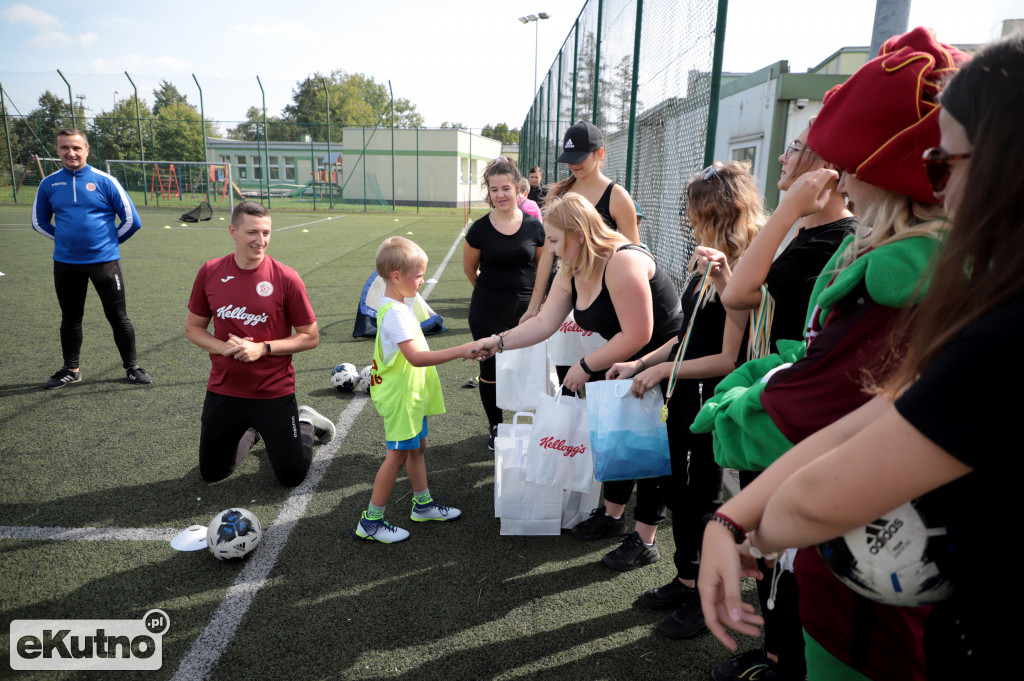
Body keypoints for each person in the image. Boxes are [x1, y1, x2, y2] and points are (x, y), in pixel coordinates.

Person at [730, 37, 1021, 679]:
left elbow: (822, 472)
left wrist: (757, 525)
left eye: (947, 162)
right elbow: (889, 406)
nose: (941, 185)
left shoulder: (970, 308)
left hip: (882, 613)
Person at [707, 118, 856, 680]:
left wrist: (791, 209)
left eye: (795, 150)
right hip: (781, 398)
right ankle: (775, 653)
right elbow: (750, 305)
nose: (784, 160)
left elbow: (748, 295)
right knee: (771, 546)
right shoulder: (809, 233)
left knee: (789, 549)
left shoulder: (833, 238)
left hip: (799, 414)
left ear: (827, 172)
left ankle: (784, 662)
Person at [474, 192, 682, 559]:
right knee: (615, 439)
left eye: (554, 240)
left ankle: (644, 539)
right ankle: (613, 515)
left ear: (578, 235)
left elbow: (639, 334)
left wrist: (586, 367)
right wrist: (499, 342)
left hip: (660, 360)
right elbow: (544, 322)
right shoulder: (573, 266)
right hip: (618, 358)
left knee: (647, 449)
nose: (550, 250)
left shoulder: (622, 261)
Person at [607, 161, 760, 639]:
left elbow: (727, 358)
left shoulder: (745, 267)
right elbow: (686, 336)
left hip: (713, 401)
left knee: (700, 500)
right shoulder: (706, 258)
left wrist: (658, 369)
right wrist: (640, 363)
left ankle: (704, 597)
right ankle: (686, 579)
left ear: (718, 211)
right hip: (683, 393)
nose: (686, 218)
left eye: (693, 209)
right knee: (678, 493)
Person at [185, 201, 335, 488]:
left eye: (266, 232)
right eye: (253, 232)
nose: (261, 240)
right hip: (224, 390)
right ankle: (252, 431)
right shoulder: (211, 271)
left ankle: (304, 422)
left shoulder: (286, 277)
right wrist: (222, 347)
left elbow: (310, 336)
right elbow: (193, 328)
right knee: (212, 473)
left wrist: (262, 348)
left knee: (291, 477)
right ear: (233, 231)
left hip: (273, 393)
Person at [354, 237, 479, 543]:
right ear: (396, 277)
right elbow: (416, 358)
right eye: (419, 275)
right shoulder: (395, 312)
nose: (423, 281)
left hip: (411, 394)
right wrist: (461, 350)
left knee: (417, 447)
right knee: (396, 456)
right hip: (400, 398)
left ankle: (422, 505)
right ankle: (370, 522)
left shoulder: (401, 301)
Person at [31, 127, 152, 389]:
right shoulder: (49, 183)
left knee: (119, 317)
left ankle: (132, 367)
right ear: (58, 150)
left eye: (76, 147)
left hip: (105, 264)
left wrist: (106, 243)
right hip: (66, 264)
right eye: (65, 147)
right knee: (70, 318)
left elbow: (132, 221)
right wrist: (65, 241)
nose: (71, 152)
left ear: (86, 149)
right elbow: (39, 222)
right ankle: (71, 369)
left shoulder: (105, 181)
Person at [463, 157, 546, 449]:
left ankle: (540, 427)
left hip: (528, 312)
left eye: (506, 188)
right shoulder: (479, 229)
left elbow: (543, 270)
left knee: (532, 370)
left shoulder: (536, 227)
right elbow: (470, 270)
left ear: (518, 189)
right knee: (491, 371)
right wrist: (488, 292)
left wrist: (534, 304)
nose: (500, 194)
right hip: (487, 309)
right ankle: (496, 428)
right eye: (494, 189)